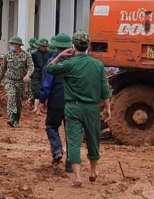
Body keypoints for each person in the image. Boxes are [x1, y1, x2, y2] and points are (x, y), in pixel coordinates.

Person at [44, 31, 112, 188]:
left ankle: (78, 176)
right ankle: (93, 171)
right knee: (93, 139)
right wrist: (108, 108)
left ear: (73, 47)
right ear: (87, 46)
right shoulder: (98, 65)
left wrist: (60, 55)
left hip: (73, 107)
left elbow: (49, 69)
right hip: (92, 108)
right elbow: (104, 89)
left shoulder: (69, 64)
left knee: (73, 140)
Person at [34, 33, 73, 173]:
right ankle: (71, 163)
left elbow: (47, 83)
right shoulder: (76, 62)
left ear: (55, 46)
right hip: (73, 102)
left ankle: (57, 150)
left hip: (56, 101)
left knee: (51, 125)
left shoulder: (53, 61)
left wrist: (42, 100)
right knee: (71, 132)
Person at [0, 36, 34, 127]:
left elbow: (31, 67)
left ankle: (16, 120)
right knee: (11, 95)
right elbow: (2, 69)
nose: (11, 45)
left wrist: (28, 75)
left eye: (12, 44)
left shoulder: (26, 55)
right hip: (9, 80)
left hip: (20, 82)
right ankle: (11, 117)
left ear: (18, 45)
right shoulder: (7, 56)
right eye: (10, 44)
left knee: (18, 102)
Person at [27, 38, 50, 109]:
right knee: (37, 90)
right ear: (39, 46)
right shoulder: (34, 54)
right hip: (36, 74)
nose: (44, 48)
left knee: (45, 90)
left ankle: (42, 107)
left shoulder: (49, 54)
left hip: (45, 74)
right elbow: (30, 65)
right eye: (43, 46)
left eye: (45, 46)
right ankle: (36, 108)